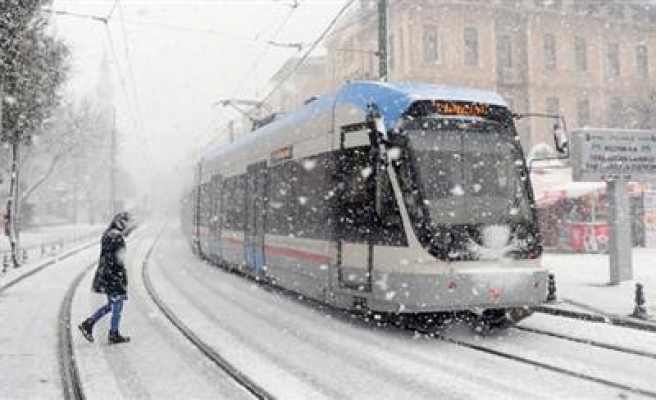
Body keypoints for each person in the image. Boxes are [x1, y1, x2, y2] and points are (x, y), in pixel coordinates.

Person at [78, 212, 131, 344]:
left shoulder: (109, 234)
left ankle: (89, 324)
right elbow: (118, 260)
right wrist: (120, 279)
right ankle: (112, 333)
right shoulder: (116, 236)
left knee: (111, 305)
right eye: (126, 223)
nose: (127, 227)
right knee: (116, 306)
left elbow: (110, 257)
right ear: (121, 223)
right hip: (114, 276)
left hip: (107, 275)